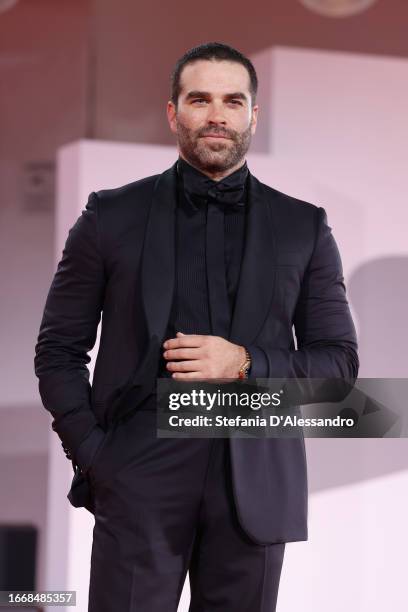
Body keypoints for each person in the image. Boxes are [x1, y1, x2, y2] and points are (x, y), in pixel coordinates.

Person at [34, 42, 359, 612]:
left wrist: (244, 363)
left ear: (253, 115)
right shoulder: (110, 216)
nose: (217, 114)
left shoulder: (303, 226)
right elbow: (58, 349)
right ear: (172, 112)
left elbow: (338, 366)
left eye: (233, 101)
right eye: (199, 99)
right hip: (138, 470)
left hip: (255, 478)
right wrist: (95, 455)